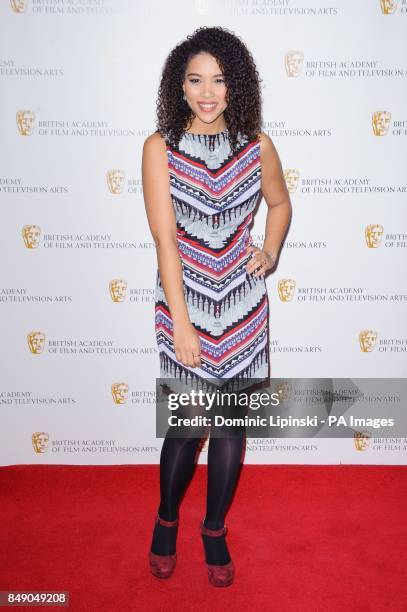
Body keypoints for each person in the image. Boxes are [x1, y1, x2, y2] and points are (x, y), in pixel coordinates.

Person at [142, 26, 292, 587]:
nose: (208, 92)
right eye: (195, 80)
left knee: (230, 429)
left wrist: (270, 250)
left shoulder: (257, 146)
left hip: (245, 308)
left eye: (220, 80)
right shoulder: (160, 147)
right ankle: (165, 519)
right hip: (186, 305)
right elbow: (165, 242)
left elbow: (279, 204)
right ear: (179, 86)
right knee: (186, 427)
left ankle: (213, 529)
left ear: (237, 86)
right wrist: (181, 323)